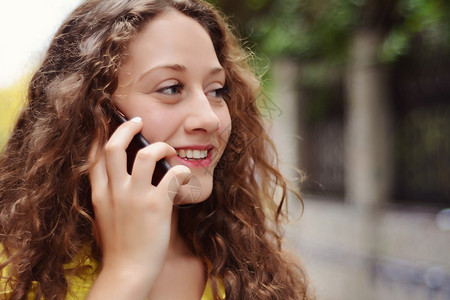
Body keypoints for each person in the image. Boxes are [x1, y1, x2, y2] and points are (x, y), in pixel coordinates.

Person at [0, 0, 313, 299]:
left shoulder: (250, 270)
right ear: (92, 115)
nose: (210, 118)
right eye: (171, 88)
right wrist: (127, 273)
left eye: (217, 90)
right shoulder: (14, 273)